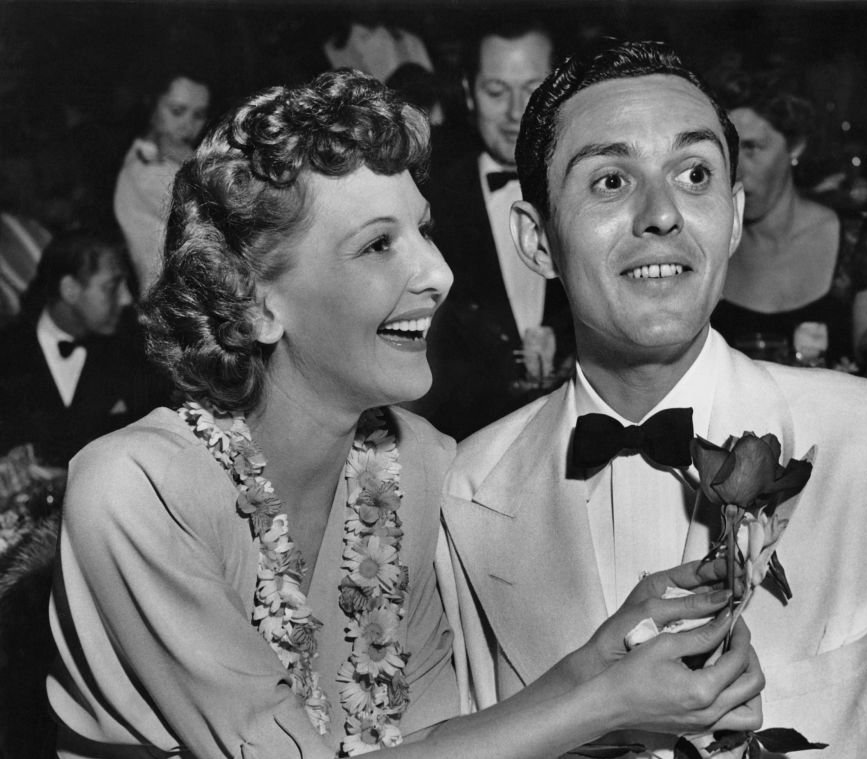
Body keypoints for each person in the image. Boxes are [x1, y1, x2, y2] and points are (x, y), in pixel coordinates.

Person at [47, 68, 764, 759]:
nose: (439, 274)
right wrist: (606, 701)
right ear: (254, 300)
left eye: (423, 231)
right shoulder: (132, 490)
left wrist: (598, 663)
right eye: (379, 244)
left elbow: (435, 744)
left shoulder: (416, 464)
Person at [442, 39, 867, 758]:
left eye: (694, 174)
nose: (662, 214)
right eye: (609, 182)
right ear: (538, 241)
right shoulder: (467, 490)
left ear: (735, 212)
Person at [414, 18, 574, 440]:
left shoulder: (597, 190)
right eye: (496, 91)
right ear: (468, 93)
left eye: (534, 89)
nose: (516, 111)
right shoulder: (425, 199)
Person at [708, 67, 867, 365]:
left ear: (795, 147)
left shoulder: (860, 243)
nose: (737, 169)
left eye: (752, 148)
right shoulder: (704, 246)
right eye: (726, 151)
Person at [0, 230, 151, 467]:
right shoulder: (8, 355)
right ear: (70, 289)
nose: (126, 299)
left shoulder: (135, 347)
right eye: (112, 287)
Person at [113, 67, 211, 294]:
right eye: (177, 111)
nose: (188, 125)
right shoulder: (145, 169)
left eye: (198, 115)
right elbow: (227, 218)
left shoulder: (173, 161)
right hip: (174, 307)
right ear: (152, 105)